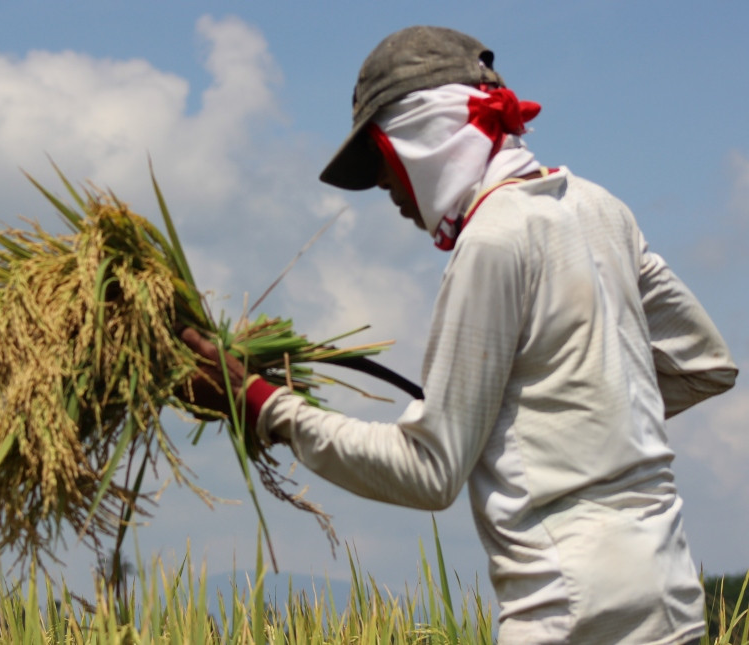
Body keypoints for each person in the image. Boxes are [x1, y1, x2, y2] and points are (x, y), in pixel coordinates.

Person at [179, 25, 738, 644]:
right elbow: (703, 363)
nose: (388, 190)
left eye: (385, 163)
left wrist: (263, 404)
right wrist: (568, 419)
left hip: (569, 611)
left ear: (422, 140)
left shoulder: (493, 241)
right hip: (671, 597)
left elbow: (429, 471)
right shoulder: (600, 208)